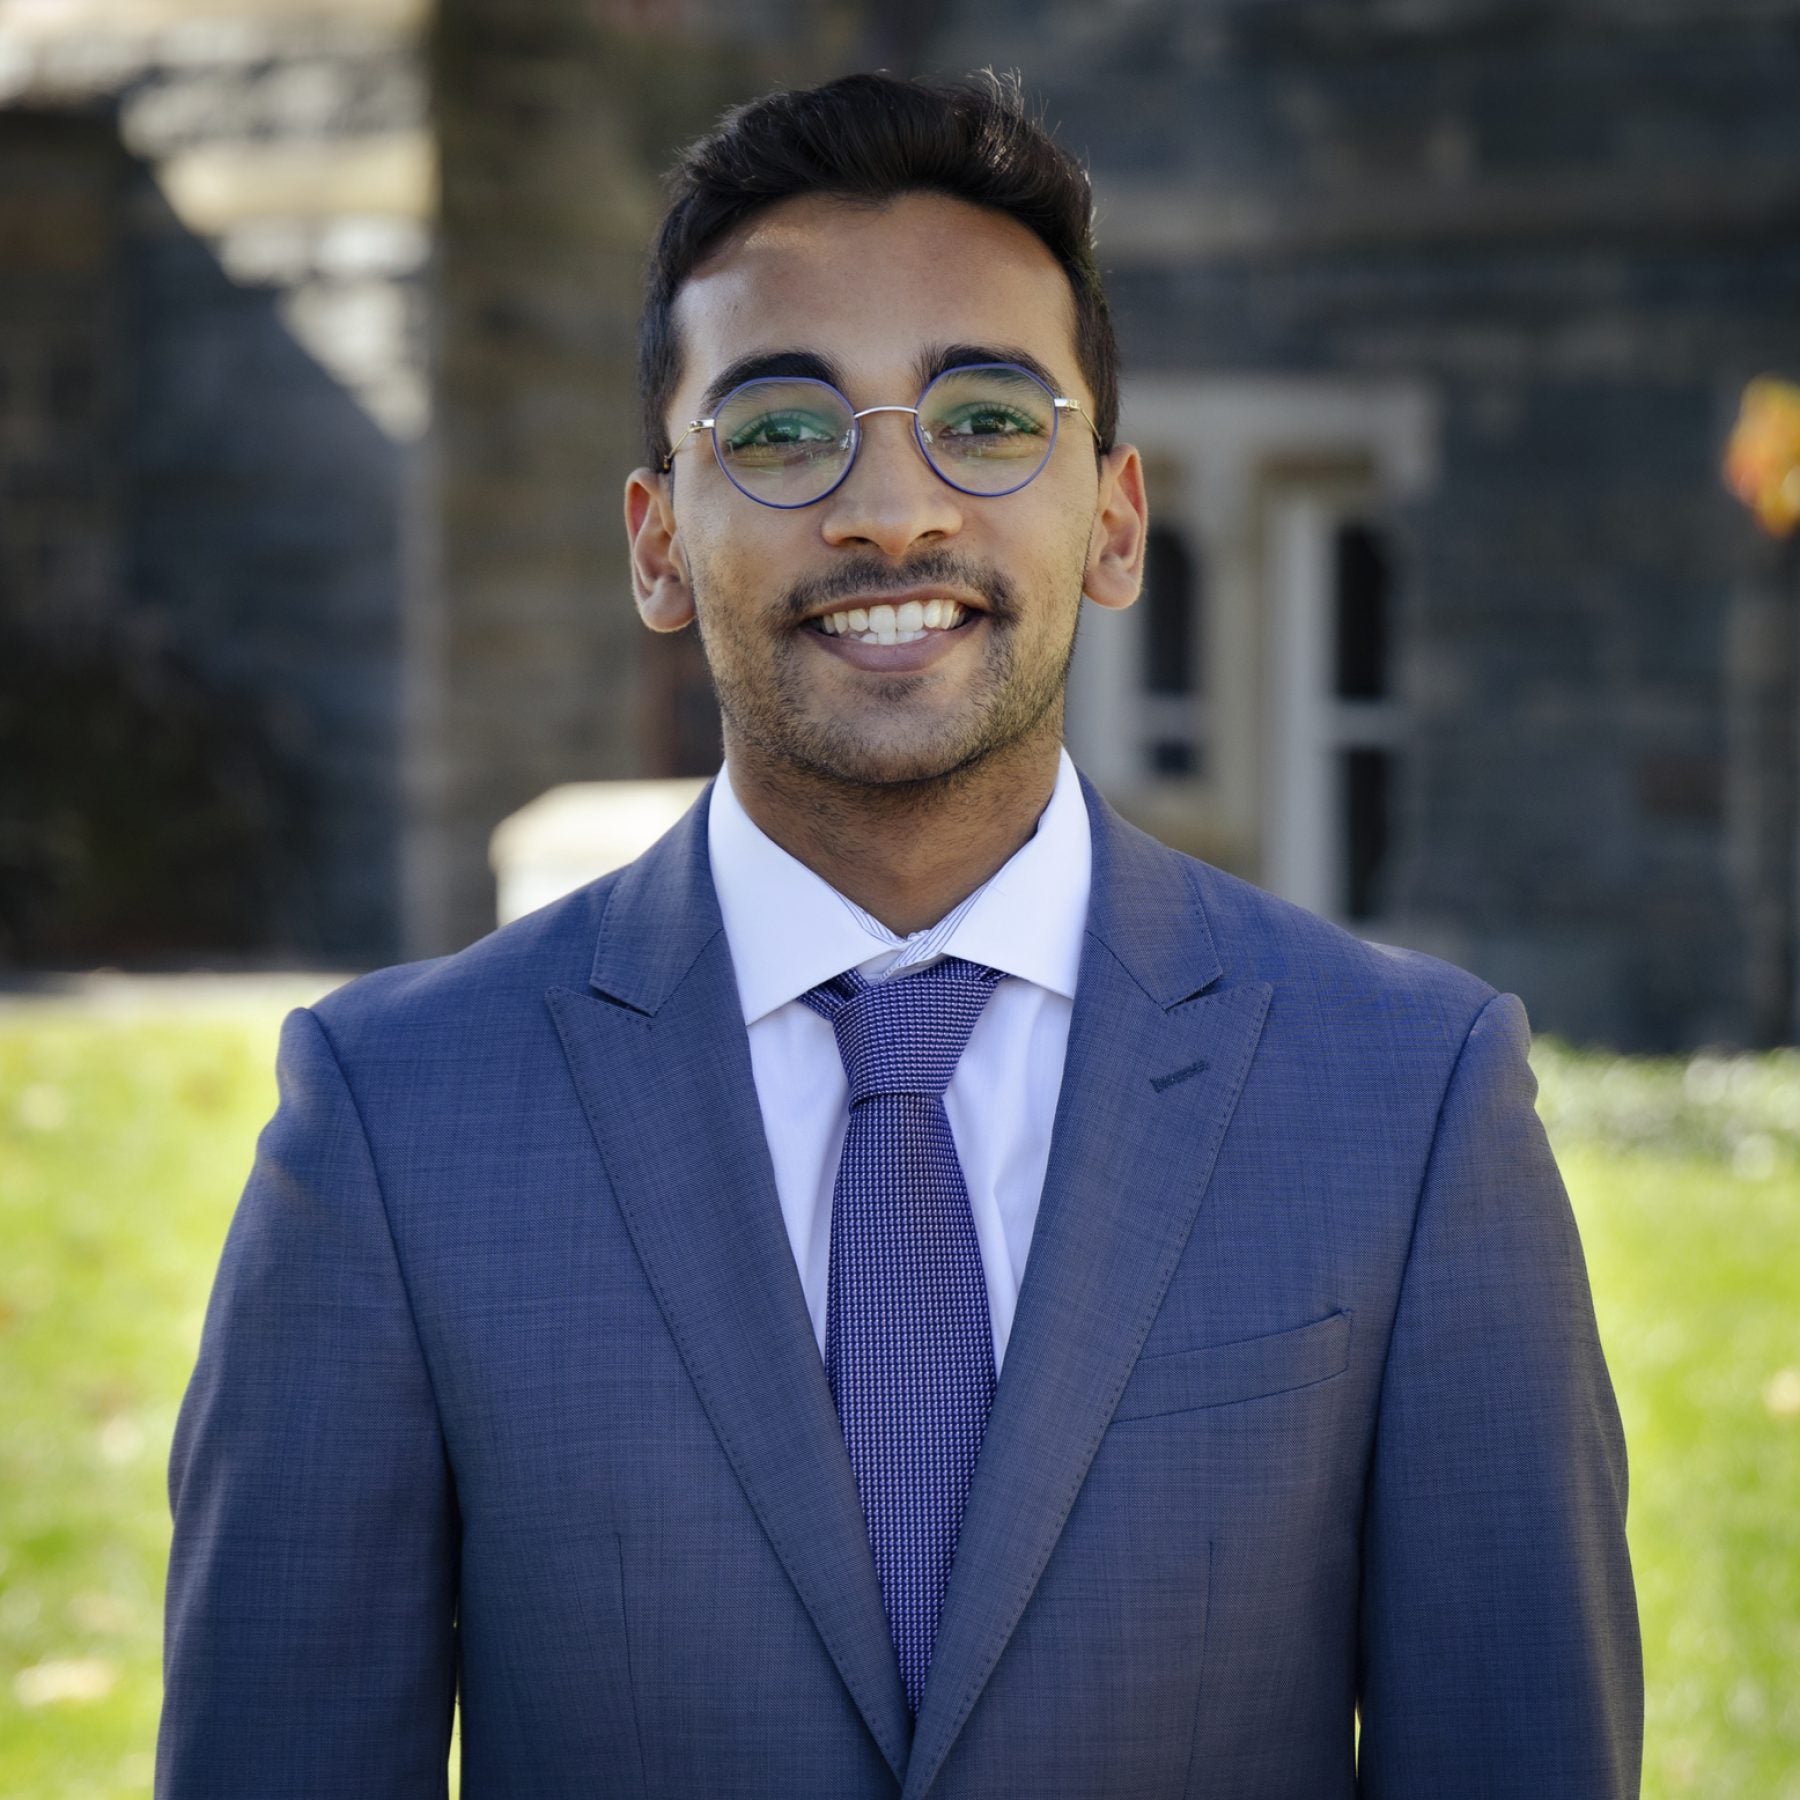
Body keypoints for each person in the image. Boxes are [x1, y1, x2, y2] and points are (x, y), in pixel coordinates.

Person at [157, 70, 1643, 1799]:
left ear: (1115, 516)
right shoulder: (394, 1121)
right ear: (656, 542)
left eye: (990, 418)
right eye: (783, 431)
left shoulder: (1411, 1102)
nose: (893, 510)